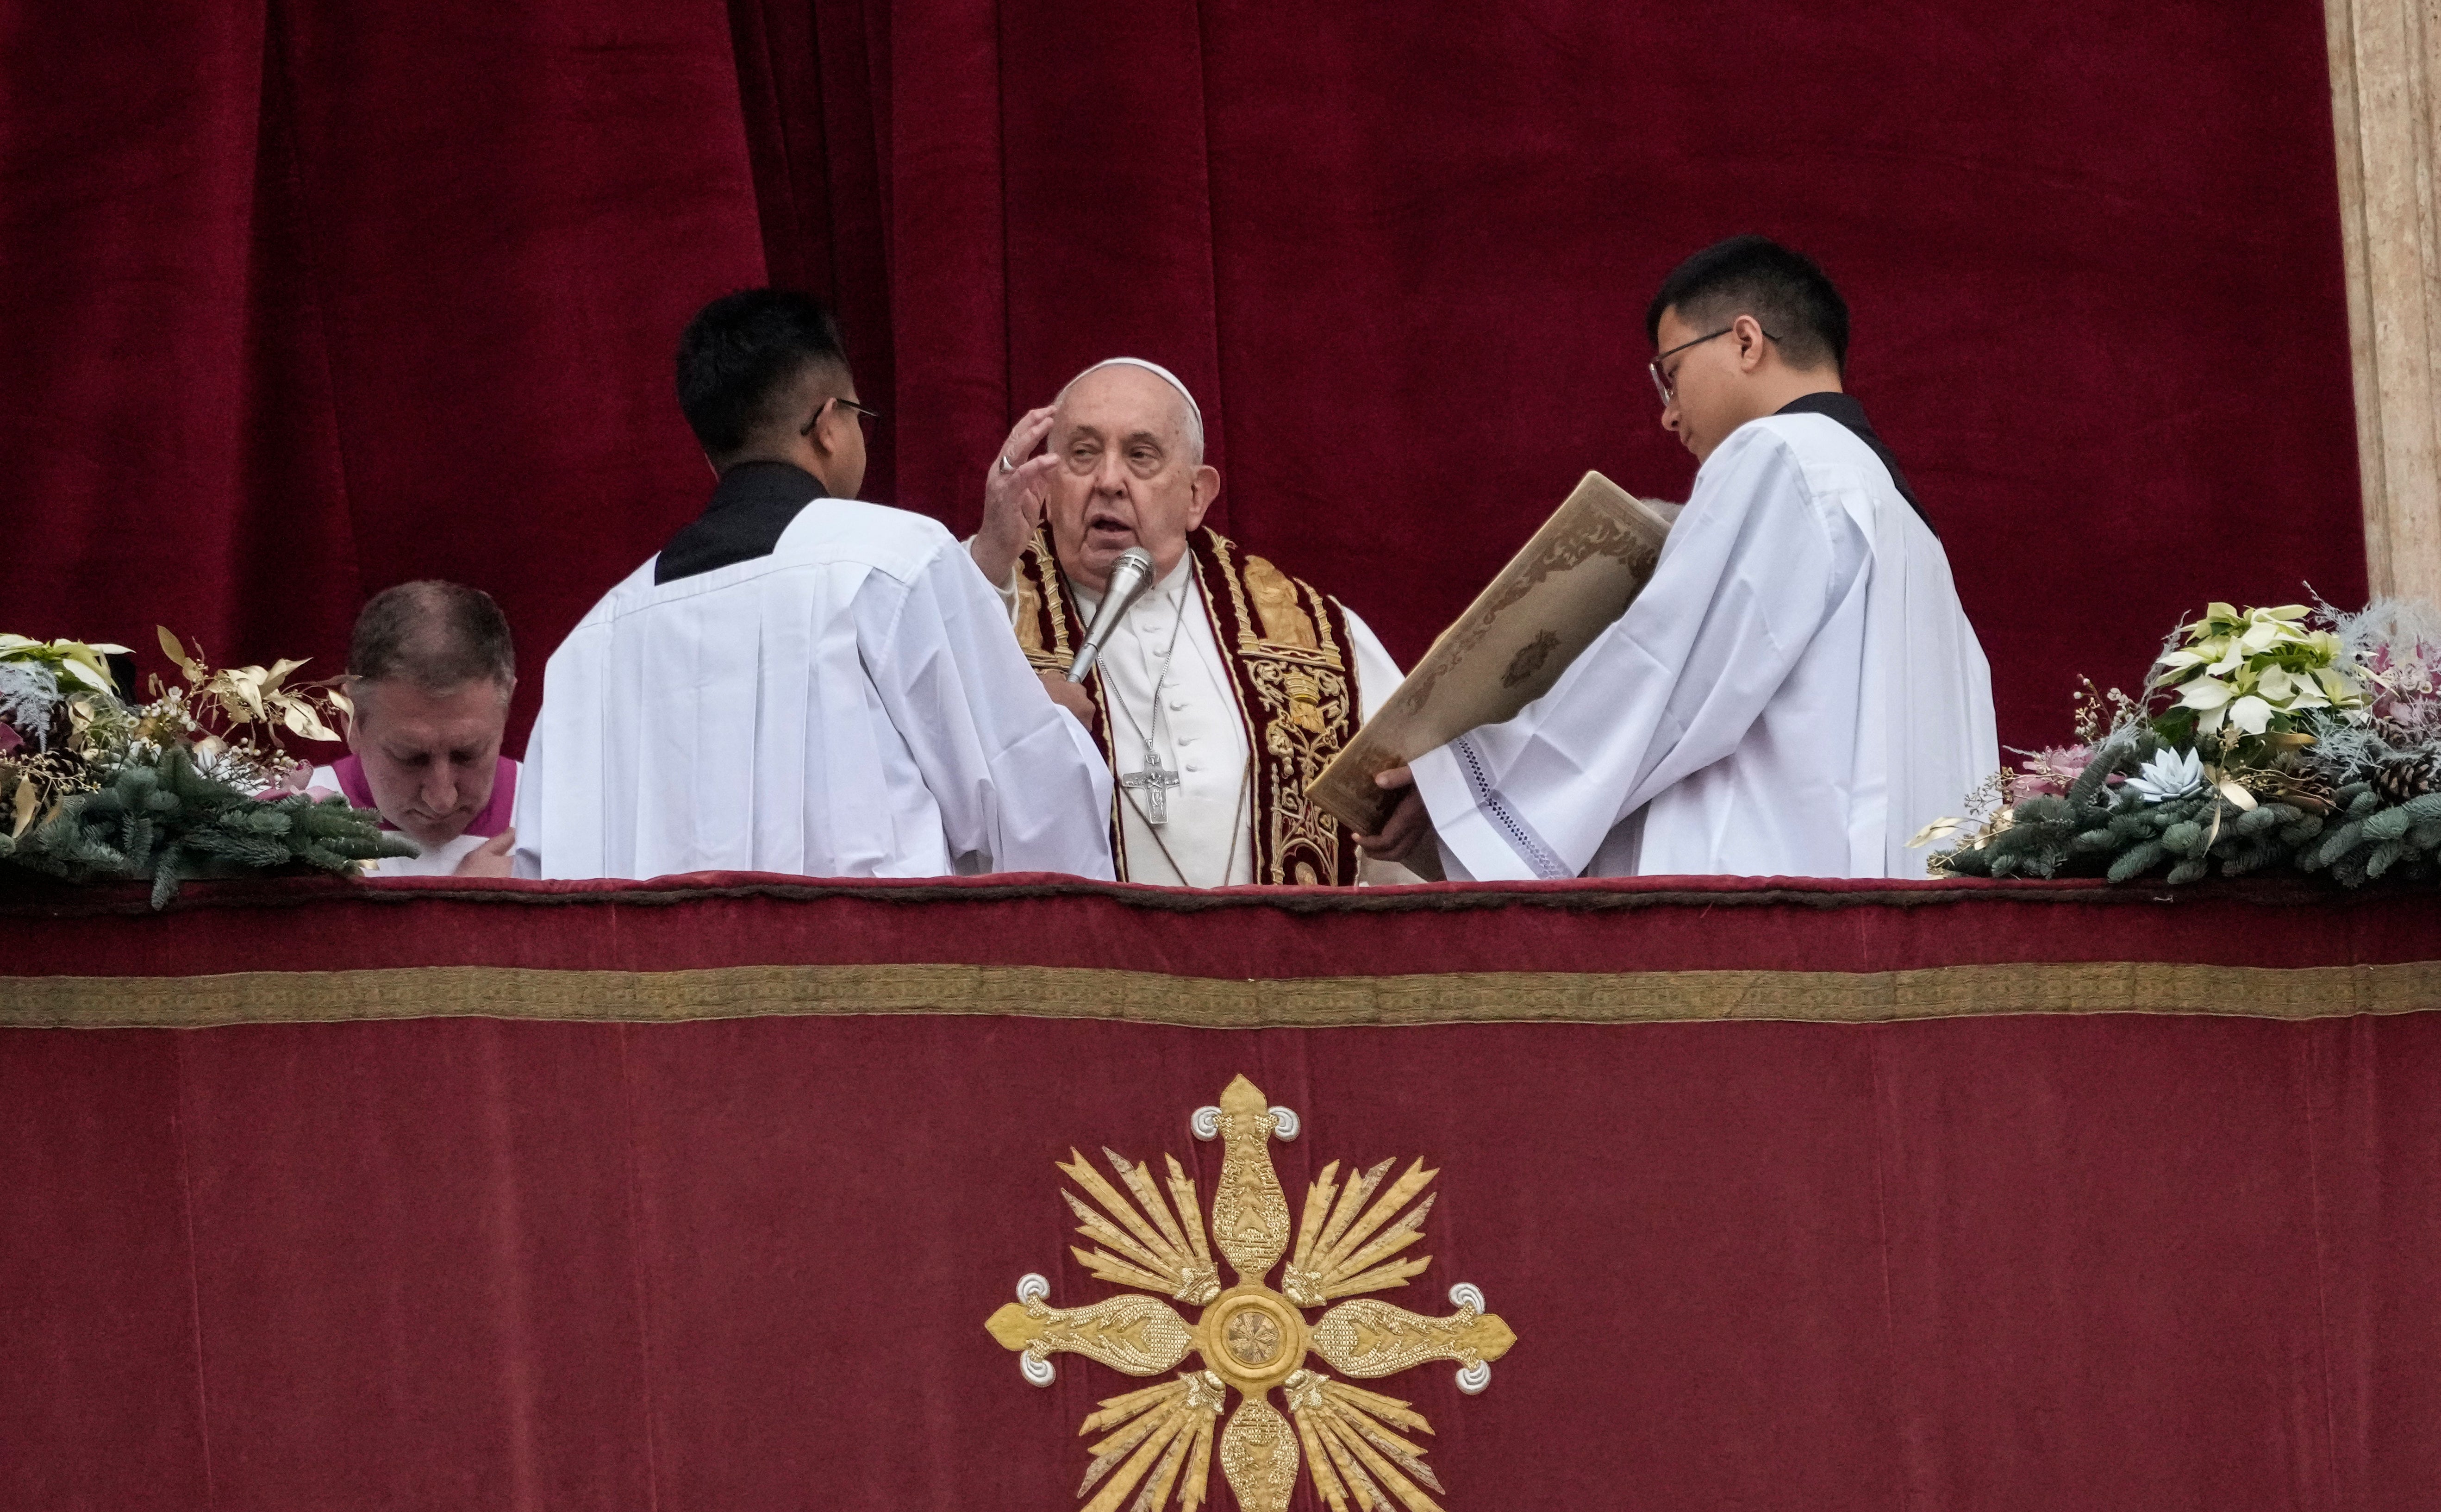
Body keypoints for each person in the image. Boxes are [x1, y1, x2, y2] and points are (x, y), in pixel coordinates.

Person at [1365, 235, 1997, 880]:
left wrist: (1464, 788)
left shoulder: (1780, 456)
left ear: (1745, 341)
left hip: (1764, 909)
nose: (1668, 415)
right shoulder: (1901, 518)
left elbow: (1662, 674)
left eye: (1671, 374)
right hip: (1881, 919)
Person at [512, 290, 1114, 881]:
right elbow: (1031, 805)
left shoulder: (589, 647)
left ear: (710, 453)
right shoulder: (893, 564)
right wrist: (1049, 719)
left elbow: (547, 880)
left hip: (646, 982)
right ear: (829, 424)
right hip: (861, 977)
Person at [968, 358, 1417, 886]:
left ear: (1196, 495)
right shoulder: (982, 594)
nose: (1108, 480)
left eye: (1140, 456)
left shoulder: (1315, 633)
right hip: (1074, 968)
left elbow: (1406, 848)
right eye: (1082, 453)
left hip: (1279, 966)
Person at [307, 581, 518, 877]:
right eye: (410, 757)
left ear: (507, 707)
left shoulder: (568, 819)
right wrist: (466, 916)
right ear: (349, 720)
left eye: (467, 754)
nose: (442, 799)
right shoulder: (279, 826)